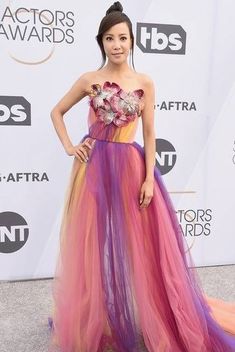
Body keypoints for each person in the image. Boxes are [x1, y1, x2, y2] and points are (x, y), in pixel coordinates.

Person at [48, 2, 235, 351]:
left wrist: (149, 178)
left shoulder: (145, 82)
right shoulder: (89, 80)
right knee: (92, 246)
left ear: (132, 41)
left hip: (132, 168)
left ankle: (161, 316)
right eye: (109, 38)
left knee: (146, 247)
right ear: (100, 42)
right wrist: (70, 146)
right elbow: (56, 112)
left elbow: (149, 135)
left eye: (123, 38)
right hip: (93, 167)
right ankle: (93, 317)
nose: (117, 44)